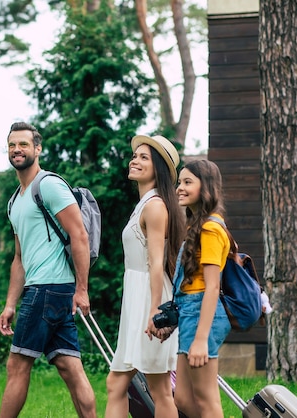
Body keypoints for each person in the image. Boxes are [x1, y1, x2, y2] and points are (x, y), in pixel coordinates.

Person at [0, 122, 97, 418]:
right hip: (46, 290)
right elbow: (19, 258)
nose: (17, 150)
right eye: (12, 145)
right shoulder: (15, 200)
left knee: (17, 365)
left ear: (37, 149)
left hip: (47, 289)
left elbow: (79, 235)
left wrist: (82, 290)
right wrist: (10, 304)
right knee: (70, 367)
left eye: (24, 144)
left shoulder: (49, 185)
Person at [105, 135, 184, 418]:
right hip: (137, 297)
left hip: (151, 298)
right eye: (135, 155)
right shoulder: (145, 204)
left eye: (144, 157)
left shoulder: (155, 206)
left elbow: (155, 263)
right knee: (117, 383)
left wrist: (154, 310)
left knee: (159, 388)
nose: (134, 160)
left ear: (158, 168)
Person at [166, 159, 232, 418]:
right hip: (190, 312)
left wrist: (202, 339)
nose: (179, 188)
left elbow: (213, 286)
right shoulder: (198, 227)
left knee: (206, 399)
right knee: (182, 397)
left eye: (187, 182)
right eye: (179, 182)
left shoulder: (211, 229)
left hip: (203, 314)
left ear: (206, 187)